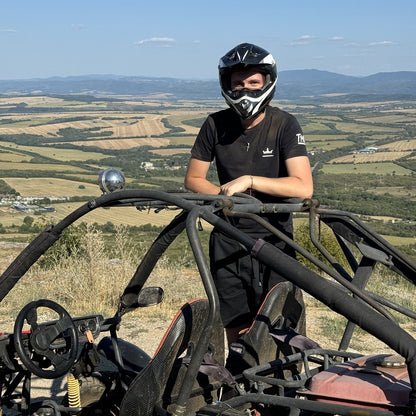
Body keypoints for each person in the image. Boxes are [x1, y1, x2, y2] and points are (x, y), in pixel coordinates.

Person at [184, 42, 313, 345]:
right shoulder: (215, 124)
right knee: (236, 326)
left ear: (267, 82)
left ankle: (284, 384)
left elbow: (303, 186)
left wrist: (249, 181)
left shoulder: (284, 124)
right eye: (238, 83)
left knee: (281, 325)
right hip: (229, 238)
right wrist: (226, 198)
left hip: (274, 238)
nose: (245, 90)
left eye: (253, 82)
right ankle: (242, 381)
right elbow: (193, 179)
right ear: (226, 85)